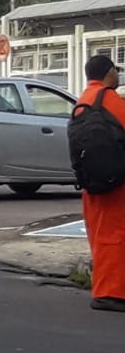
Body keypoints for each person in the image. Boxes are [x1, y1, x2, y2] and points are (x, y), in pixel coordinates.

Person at [75, 55, 125, 312]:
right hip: (116, 183)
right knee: (115, 237)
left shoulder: (84, 101)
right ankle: (108, 292)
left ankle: (107, 288)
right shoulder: (109, 100)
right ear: (109, 72)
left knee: (100, 235)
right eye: (116, 70)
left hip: (92, 180)